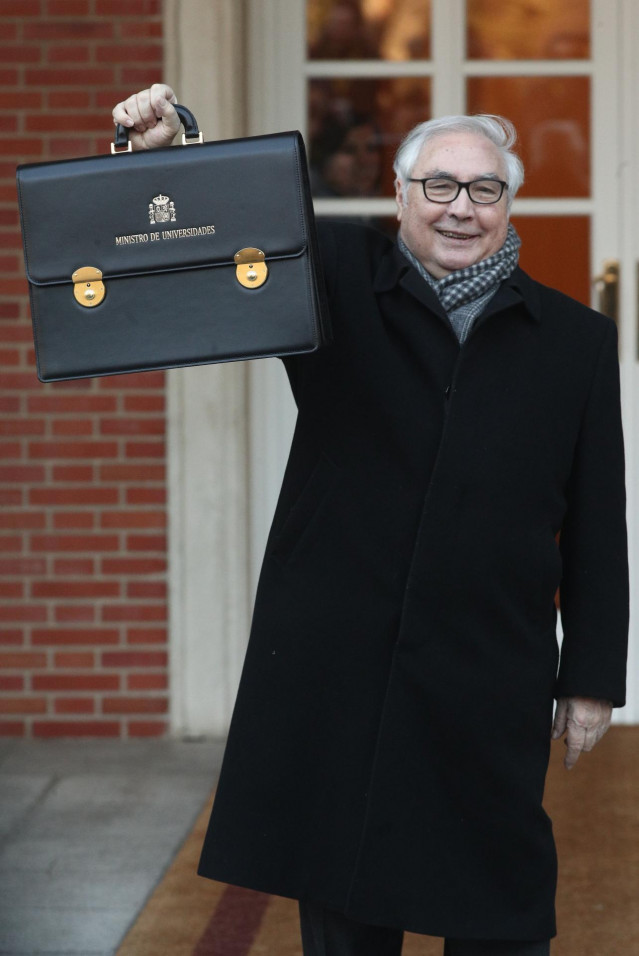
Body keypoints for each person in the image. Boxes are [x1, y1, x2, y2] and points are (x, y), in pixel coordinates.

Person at [113, 86, 629, 956]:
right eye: (438, 186)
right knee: (346, 906)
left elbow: (597, 520)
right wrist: (167, 152)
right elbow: (215, 230)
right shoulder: (338, 276)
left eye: (482, 189)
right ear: (398, 193)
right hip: (339, 662)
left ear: (508, 204)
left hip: (486, 663)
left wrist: (590, 675)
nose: (459, 209)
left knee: (497, 907)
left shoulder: (573, 340)